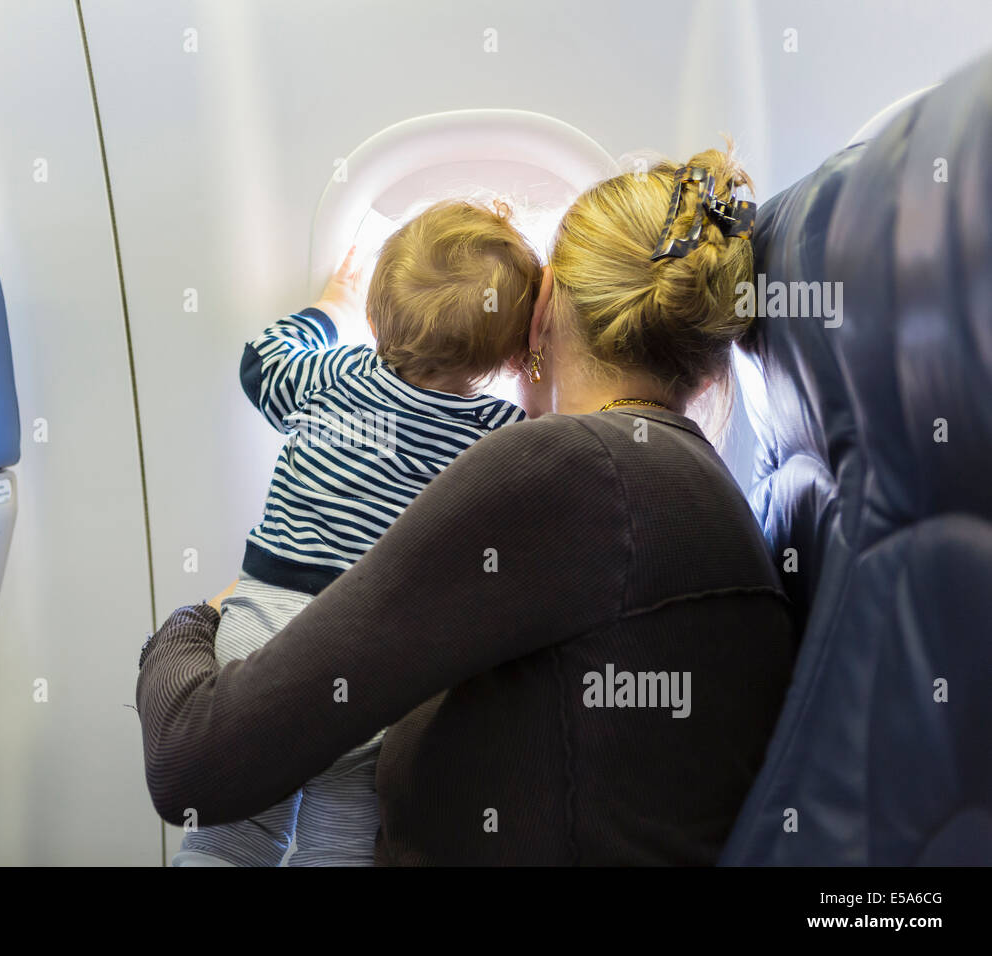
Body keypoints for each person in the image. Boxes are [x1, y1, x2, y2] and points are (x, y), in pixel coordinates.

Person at [137, 145, 795, 865]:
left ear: (544, 306)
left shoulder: (562, 468)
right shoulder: (689, 486)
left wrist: (199, 619)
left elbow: (191, 764)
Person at [175, 199, 542, 866]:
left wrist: (331, 308)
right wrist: (527, 358)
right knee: (341, 840)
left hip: (256, 642)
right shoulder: (496, 432)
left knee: (233, 835)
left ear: (375, 315)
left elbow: (259, 361)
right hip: (366, 664)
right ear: (509, 353)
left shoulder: (326, 375)